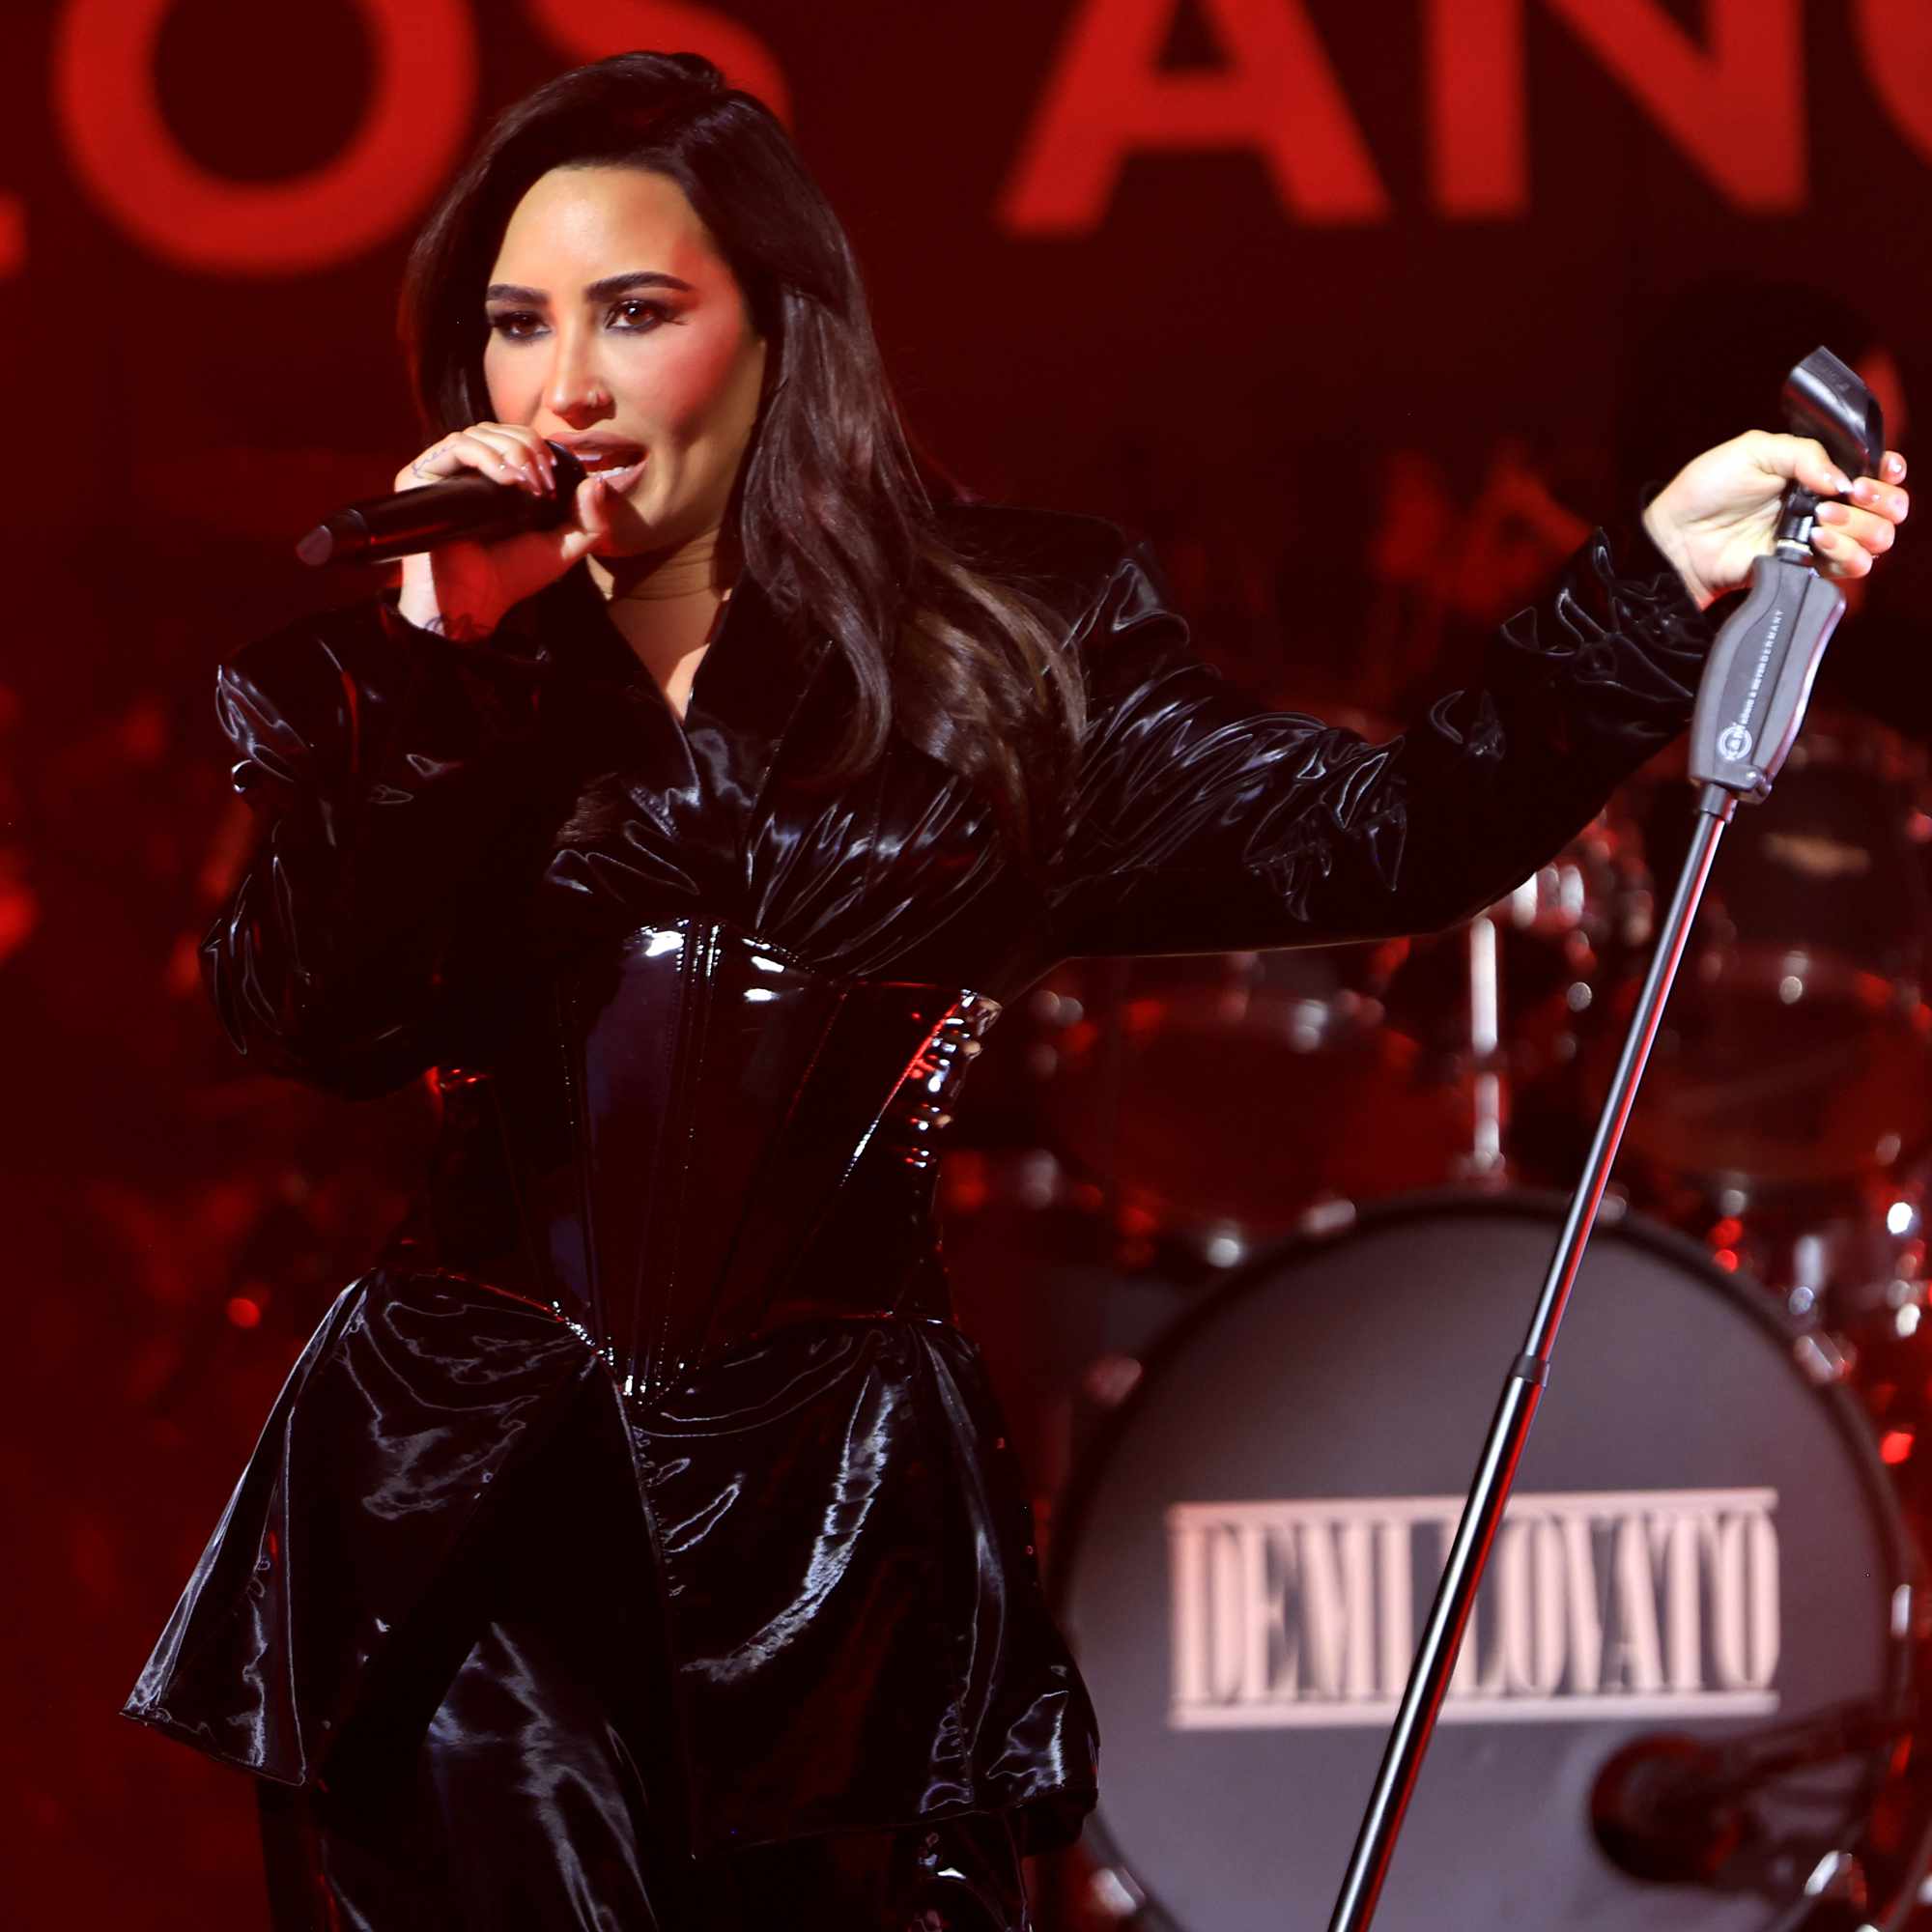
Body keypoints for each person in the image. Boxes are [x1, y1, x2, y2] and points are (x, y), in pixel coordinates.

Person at [121, 49, 1910, 1932]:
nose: (561, 383)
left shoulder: (999, 659)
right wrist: (433, 677)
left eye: (634, 312)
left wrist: (1647, 588)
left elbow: (1382, 829)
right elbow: (290, 1013)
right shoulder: (439, 692)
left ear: (769, 339)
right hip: (469, 1534)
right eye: (514, 325)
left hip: (830, 1546)